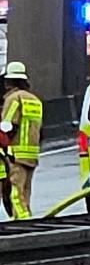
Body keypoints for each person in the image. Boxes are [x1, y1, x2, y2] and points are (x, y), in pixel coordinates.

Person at [0, 62, 43, 220]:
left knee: (15, 194)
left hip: (15, 154)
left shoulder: (14, 98)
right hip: (31, 154)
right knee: (25, 193)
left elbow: (7, 126)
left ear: (10, 82)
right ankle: (26, 219)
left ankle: (23, 224)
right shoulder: (35, 100)